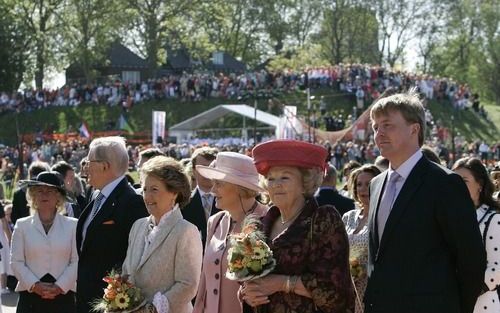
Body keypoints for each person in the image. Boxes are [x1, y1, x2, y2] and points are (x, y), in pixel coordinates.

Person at [365, 91, 486, 313]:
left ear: (414, 129)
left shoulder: (445, 183)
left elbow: (472, 260)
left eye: (387, 125)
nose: (378, 133)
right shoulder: (376, 184)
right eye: (375, 127)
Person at [241, 139, 354, 312]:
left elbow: (336, 291)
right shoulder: (260, 223)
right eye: (271, 178)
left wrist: (282, 283)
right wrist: (247, 292)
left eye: (285, 177)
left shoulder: (323, 220)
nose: (276, 184)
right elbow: (248, 280)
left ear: (305, 183)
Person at [76, 137, 148, 313]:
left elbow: (136, 256)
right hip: (86, 298)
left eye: (88, 162)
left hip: (112, 303)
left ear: (104, 166)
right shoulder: (95, 195)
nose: (85, 168)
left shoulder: (132, 202)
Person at [122, 156, 202, 313]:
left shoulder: (186, 231)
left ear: (174, 193)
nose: (147, 196)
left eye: (154, 189)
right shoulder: (137, 226)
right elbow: (127, 272)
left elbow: (187, 285)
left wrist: (152, 309)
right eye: (144, 189)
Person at [193, 152, 268, 313]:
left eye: (219, 184)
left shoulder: (267, 220)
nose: (212, 190)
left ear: (240, 188)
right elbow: (204, 281)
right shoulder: (215, 221)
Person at [11, 171, 78, 313]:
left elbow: (76, 261)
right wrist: (35, 285)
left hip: (63, 297)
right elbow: (16, 262)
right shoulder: (22, 225)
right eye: (40, 191)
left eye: (50, 191)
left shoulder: (73, 225)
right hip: (30, 298)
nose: (44, 194)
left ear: (58, 196)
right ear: (33, 196)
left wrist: (59, 287)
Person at [452, 157, 500, 313]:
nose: (456, 186)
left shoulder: (493, 219)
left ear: (480, 184)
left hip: (482, 305)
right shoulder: (450, 219)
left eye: (464, 181)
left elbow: (497, 268)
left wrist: (466, 292)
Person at [342, 165, 381, 313]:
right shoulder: (348, 216)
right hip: (346, 286)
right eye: (359, 184)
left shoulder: (383, 217)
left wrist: (361, 269)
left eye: (369, 184)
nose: (363, 189)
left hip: (371, 288)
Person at [182, 147, 219, 248]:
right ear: (193, 171)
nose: (206, 172)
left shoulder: (230, 201)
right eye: (202, 168)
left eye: (211, 168)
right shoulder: (183, 203)